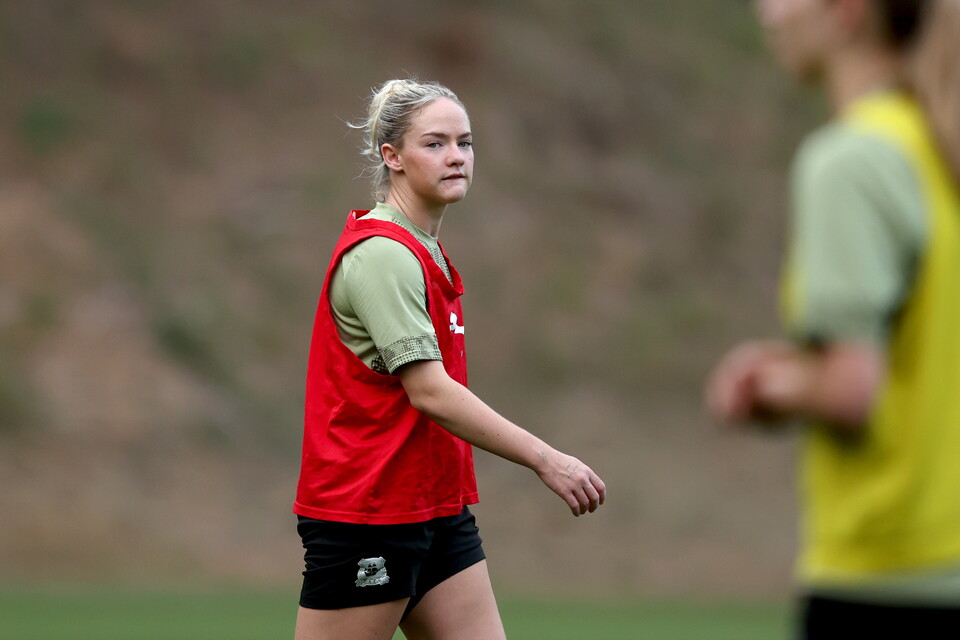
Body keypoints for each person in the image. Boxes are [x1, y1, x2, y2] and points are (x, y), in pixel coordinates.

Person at [293, 78, 606, 640]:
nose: (457, 156)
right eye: (435, 144)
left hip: (435, 510)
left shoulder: (424, 250)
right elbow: (430, 391)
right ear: (392, 157)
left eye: (465, 142)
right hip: (369, 515)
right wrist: (546, 459)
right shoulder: (384, 256)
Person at [706, 0, 960, 637]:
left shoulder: (852, 162)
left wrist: (765, 385)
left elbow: (851, 390)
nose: (766, 15)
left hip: (889, 574)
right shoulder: (939, 147)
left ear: (849, 11)